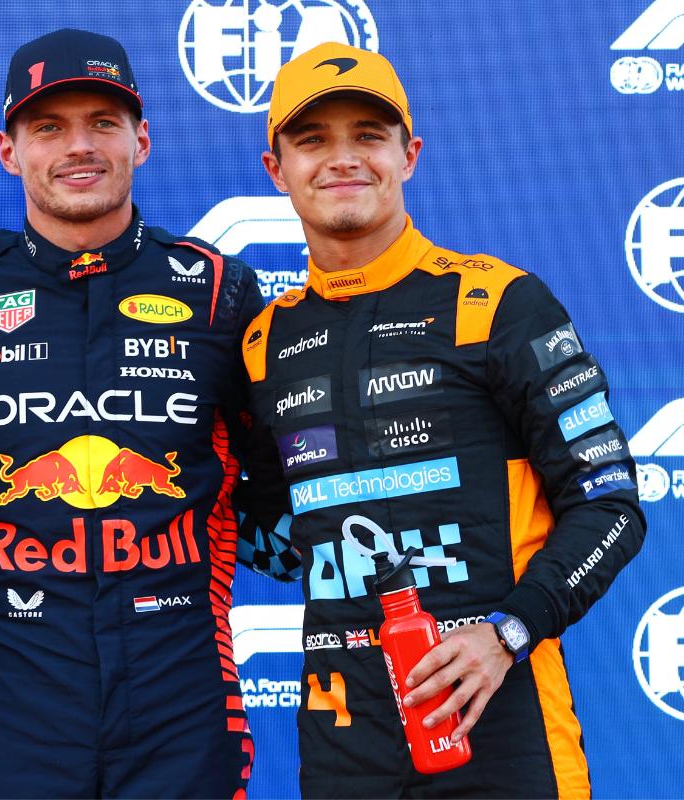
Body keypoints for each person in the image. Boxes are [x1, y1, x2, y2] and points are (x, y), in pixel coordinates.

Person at [241, 41, 646, 797]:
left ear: (409, 154)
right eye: (311, 140)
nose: (342, 159)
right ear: (276, 169)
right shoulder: (267, 343)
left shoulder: (497, 303)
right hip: (341, 743)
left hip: (505, 725)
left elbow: (613, 505)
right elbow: (271, 523)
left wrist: (508, 632)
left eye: (368, 135)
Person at [0, 28, 290, 799]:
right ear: (10, 151)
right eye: (48, 126)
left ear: (141, 140)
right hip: (14, 699)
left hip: (183, 697)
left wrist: (240, 547)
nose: (79, 147)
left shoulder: (220, 292)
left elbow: (280, 472)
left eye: (103, 123)